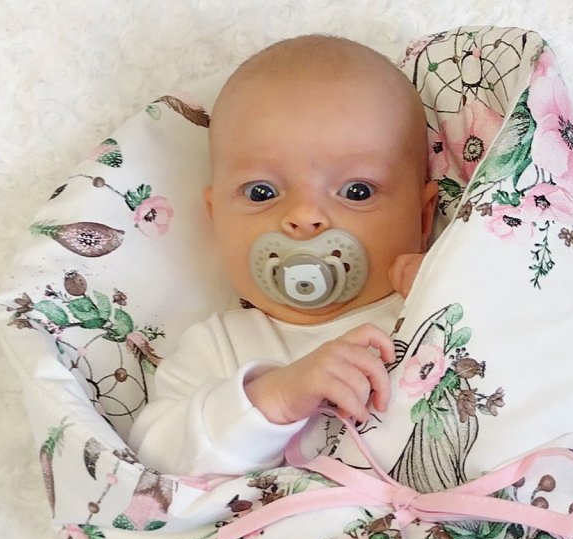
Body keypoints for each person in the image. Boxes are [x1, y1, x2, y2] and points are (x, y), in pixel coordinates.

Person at [128, 34, 438, 477]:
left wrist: (464, 292)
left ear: (422, 217)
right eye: (262, 192)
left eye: (356, 191)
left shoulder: (436, 302)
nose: (304, 216)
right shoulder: (219, 347)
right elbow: (153, 461)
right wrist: (272, 399)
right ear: (216, 218)